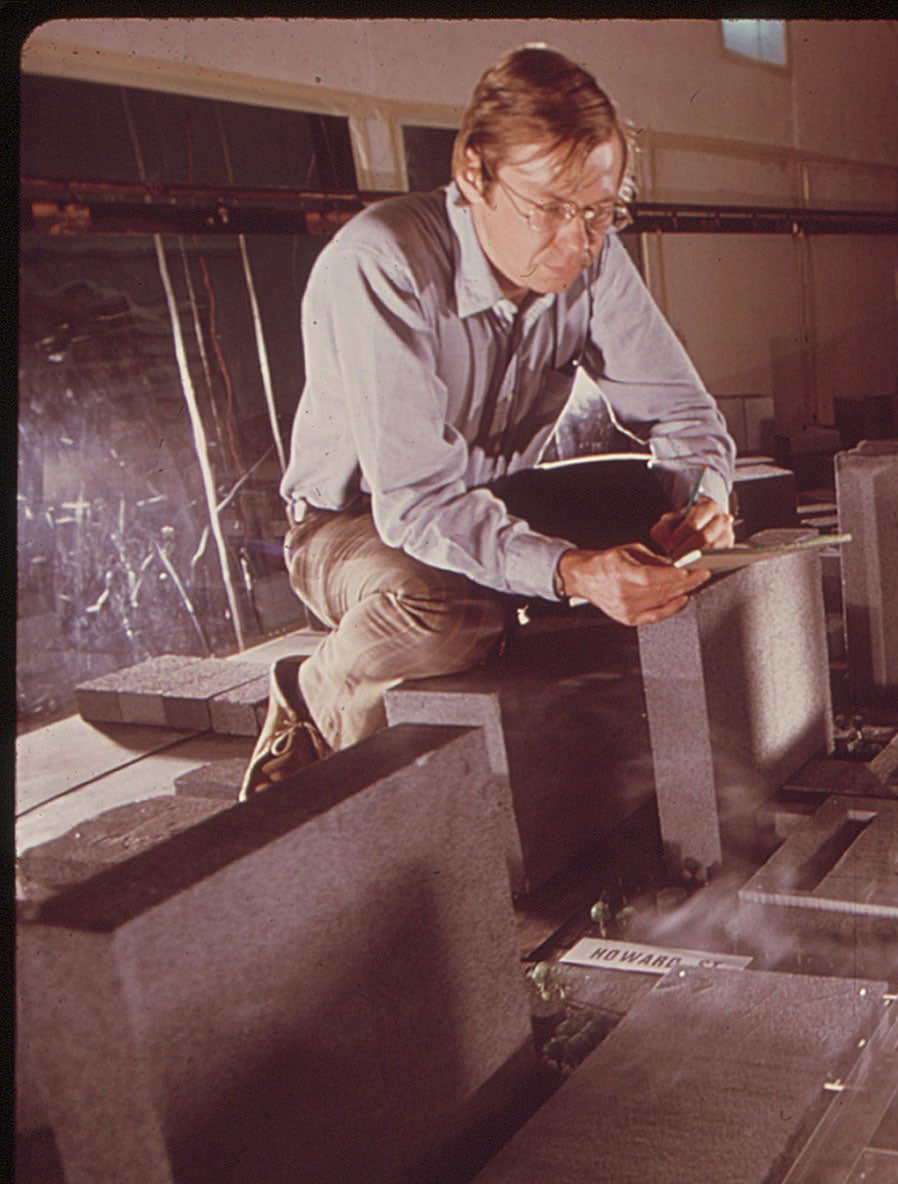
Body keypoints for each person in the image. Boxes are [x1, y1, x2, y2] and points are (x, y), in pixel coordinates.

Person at [243, 44, 735, 799]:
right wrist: (569, 570)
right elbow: (415, 503)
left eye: (601, 212)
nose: (580, 243)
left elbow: (684, 413)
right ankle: (316, 691)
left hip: (496, 497)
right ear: (474, 173)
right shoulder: (382, 263)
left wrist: (704, 500)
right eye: (550, 209)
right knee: (457, 609)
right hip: (353, 526)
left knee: (661, 514)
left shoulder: (593, 256)